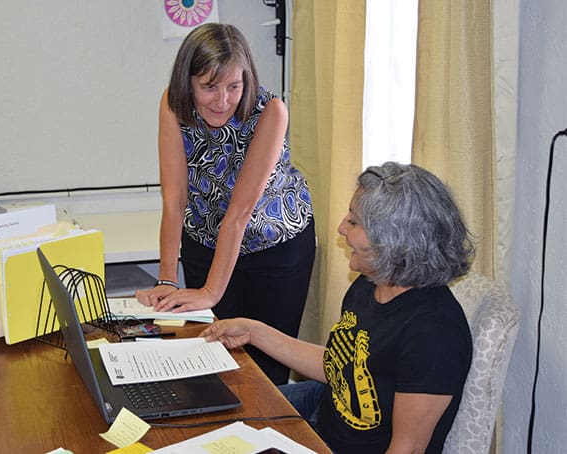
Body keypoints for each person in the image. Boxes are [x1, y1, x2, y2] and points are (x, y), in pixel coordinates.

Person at [200, 162, 474, 453]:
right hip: (322, 413)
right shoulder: (370, 284)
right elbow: (336, 365)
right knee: (205, 422)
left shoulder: (434, 333)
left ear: (393, 240)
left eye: (354, 222)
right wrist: (253, 331)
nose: (342, 228)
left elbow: (408, 449)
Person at [135, 23, 315, 385]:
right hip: (206, 240)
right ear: (189, 82)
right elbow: (174, 198)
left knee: (265, 372)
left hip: (274, 247)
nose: (222, 100)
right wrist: (168, 279)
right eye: (209, 87)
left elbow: (239, 213)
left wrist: (210, 292)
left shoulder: (271, 111)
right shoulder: (173, 104)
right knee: (214, 357)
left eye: (234, 86)